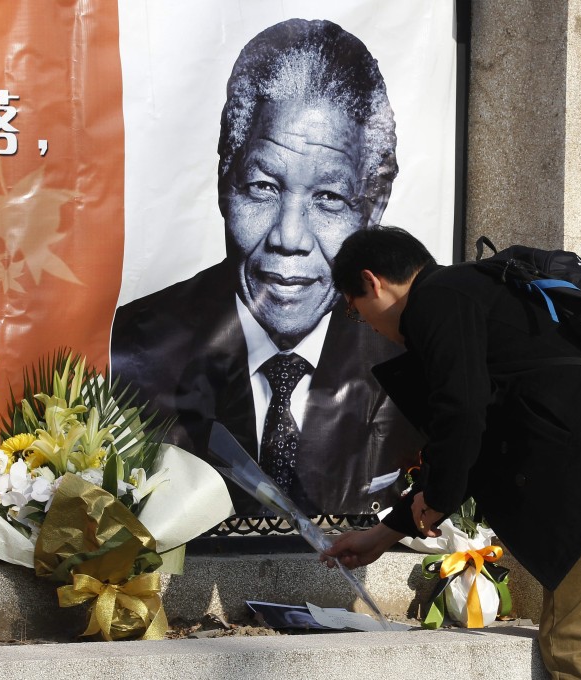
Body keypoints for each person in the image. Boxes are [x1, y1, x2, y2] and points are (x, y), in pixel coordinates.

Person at [322, 226, 581, 680]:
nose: (370, 327)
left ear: (372, 282)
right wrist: (385, 533)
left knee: (577, 641)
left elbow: (462, 413)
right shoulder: (489, 287)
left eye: (358, 313)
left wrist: (437, 497)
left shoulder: (436, 300)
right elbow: (481, 436)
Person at [111, 19, 421, 516]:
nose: (288, 238)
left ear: (373, 207)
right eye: (263, 188)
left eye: (329, 198)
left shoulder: (413, 362)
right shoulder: (127, 352)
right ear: (223, 183)